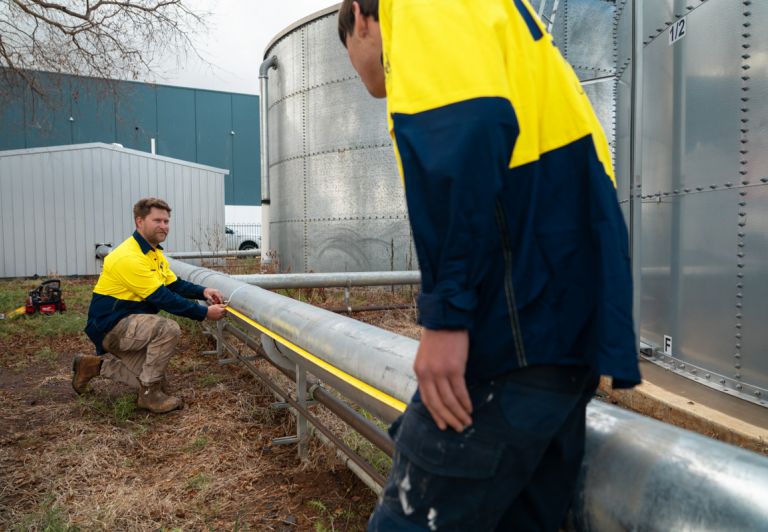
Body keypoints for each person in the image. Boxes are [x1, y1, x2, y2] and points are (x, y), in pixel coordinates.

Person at [338, 1, 642, 530]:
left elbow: (464, 135)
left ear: (362, 21)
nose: (366, 70)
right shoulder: (498, 22)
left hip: (513, 322)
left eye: (352, 54)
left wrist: (447, 313)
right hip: (561, 316)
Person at [73, 197, 228, 413]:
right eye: (157, 220)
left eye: (166, 221)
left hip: (129, 323)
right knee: (168, 328)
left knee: (156, 379)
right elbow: (163, 298)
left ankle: (91, 366)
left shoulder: (153, 253)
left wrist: (203, 291)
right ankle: (149, 396)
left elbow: (173, 284)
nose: (164, 226)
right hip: (111, 325)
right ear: (139, 222)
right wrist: (204, 313)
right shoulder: (128, 256)